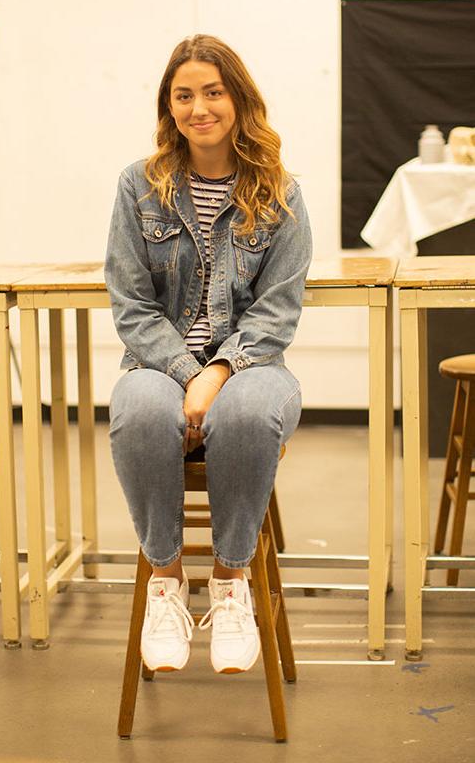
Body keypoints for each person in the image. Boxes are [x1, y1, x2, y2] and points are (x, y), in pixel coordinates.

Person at [105, 34, 312, 676]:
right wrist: (188, 374)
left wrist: (219, 371)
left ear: (238, 99)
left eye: (213, 92)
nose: (200, 107)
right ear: (169, 106)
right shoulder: (138, 186)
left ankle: (230, 585)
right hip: (158, 366)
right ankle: (167, 584)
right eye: (184, 94)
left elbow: (277, 310)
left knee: (247, 416)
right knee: (137, 409)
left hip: (254, 365)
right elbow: (131, 305)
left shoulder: (279, 191)